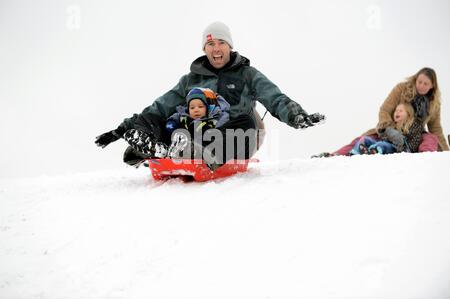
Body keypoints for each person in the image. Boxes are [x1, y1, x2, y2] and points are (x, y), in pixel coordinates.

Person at [95, 21, 325, 168]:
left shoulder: (247, 74)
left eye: (221, 43)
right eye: (211, 43)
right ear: (204, 49)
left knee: (247, 122)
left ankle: (195, 152)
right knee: (158, 118)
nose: (216, 48)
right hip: (190, 132)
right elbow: (159, 107)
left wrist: (297, 116)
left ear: (230, 46)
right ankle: (157, 147)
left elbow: (274, 97)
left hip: (230, 135)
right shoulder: (190, 80)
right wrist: (122, 129)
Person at [317, 67, 448, 157]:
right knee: (361, 140)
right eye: (419, 82)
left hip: (414, 135)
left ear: (432, 86)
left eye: (426, 84)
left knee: (431, 138)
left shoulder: (433, 104)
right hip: (392, 130)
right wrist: (389, 129)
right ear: (415, 79)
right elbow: (385, 109)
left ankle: (425, 157)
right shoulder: (402, 89)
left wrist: (447, 152)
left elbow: (435, 128)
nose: (421, 86)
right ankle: (332, 157)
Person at [122, 87, 231, 160]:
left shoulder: (217, 117)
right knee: (147, 118)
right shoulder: (184, 116)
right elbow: (175, 116)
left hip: (203, 148)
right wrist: (171, 122)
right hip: (178, 142)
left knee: (199, 129)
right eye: (192, 107)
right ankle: (154, 146)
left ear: (209, 108)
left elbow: (224, 128)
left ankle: (184, 151)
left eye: (200, 106)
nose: (196, 110)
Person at [349, 103, 423, 155]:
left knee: (382, 144)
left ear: (408, 114)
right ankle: (355, 152)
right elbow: (383, 137)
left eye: (401, 111)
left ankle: (373, 152)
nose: (397, 112)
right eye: (396, 110)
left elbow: (413, 140)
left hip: (396, 149)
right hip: (383, 143)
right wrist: (384, 130)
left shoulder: (412, 125)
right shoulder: (391, 125)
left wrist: (406, 148)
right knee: (365, 139)